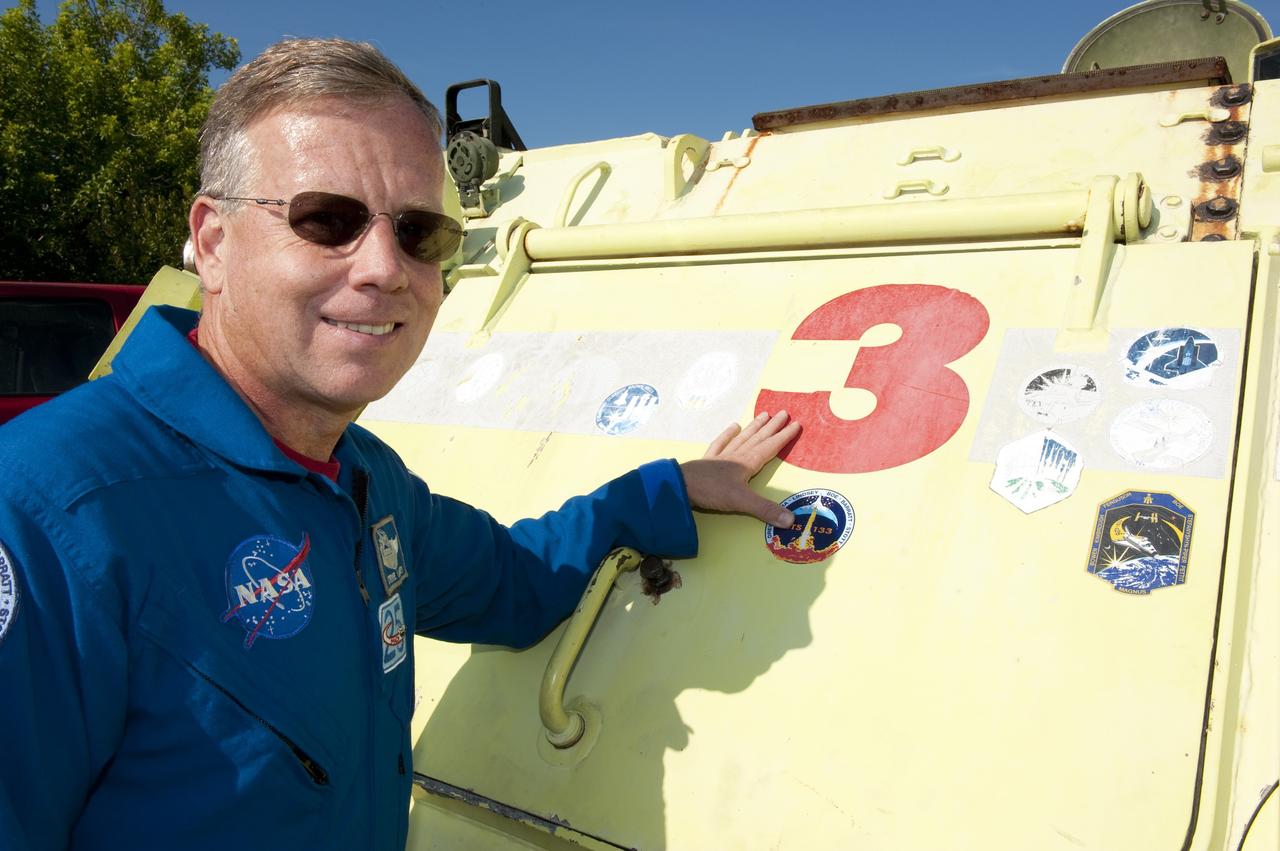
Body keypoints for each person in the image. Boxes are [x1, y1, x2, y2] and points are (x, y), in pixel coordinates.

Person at [0, 38, 800, 850]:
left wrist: (663, 489)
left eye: (419, 232)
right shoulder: (46, 512)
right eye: (327, 220)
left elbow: (513, 580)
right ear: (212, 243)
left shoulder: (366, 480)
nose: (384, 266)